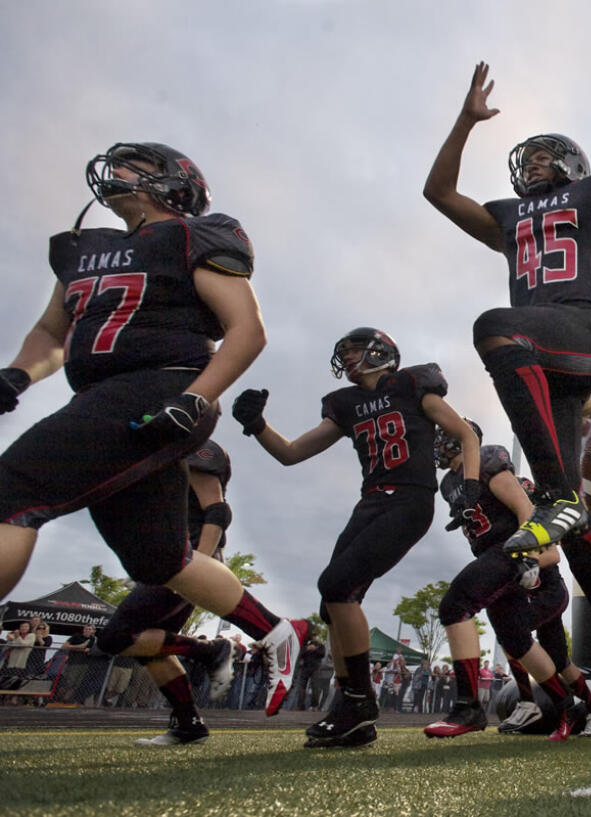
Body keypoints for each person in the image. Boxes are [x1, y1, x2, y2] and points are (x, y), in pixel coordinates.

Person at [421, 23, 591, 709]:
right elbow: (438, 191)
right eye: (528, 154)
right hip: (547, 364)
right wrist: (465, 120)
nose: (534, 162)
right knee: (571, 525)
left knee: (495, 329)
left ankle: (563, 500)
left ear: (569, 163)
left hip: (584, 334)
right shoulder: (509, 217)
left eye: (545, 154)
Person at [0, 141, 307, 718]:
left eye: (135, 166)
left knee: (13, 491)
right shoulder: (85, 250)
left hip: (162, 386)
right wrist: (17, 374)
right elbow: (53, 331)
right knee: (159, 559)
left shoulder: (195, 234)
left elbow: (247, 329)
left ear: (176, 183)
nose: (116, 172)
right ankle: (276, 632)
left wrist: (196, 397)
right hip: (102, 394)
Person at [231, 326, 480, 748]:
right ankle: (353, 714)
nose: (346, 358)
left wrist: (470, 485)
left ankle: (359, 700)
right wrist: (257, 425)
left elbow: (466, 435)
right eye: (342, 352)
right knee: (333, 606)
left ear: (381, 350)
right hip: (370, 503)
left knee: (336, 585)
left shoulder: (412, 384)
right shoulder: (345, 404)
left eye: (354, 350)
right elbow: (292, 453)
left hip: (409, 500)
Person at [425, 422, 591, 740]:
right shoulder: (449, 484)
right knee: (512, 636)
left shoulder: (489, 462)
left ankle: (501, 705)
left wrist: (527, 556)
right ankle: (568, 706)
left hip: (527, 568)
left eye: (445, 435)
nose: (438, 442)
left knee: (467, 609)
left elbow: (539, 533)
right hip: (503, 568)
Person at [95, 439, 241, 745]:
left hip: (187, 560)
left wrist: (199, 562)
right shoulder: (160, 454)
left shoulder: (197, 448)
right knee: (149, 646)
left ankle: (211, 650)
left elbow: (217, 511)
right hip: (170, 561)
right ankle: (189, 723)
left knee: (116, 637)